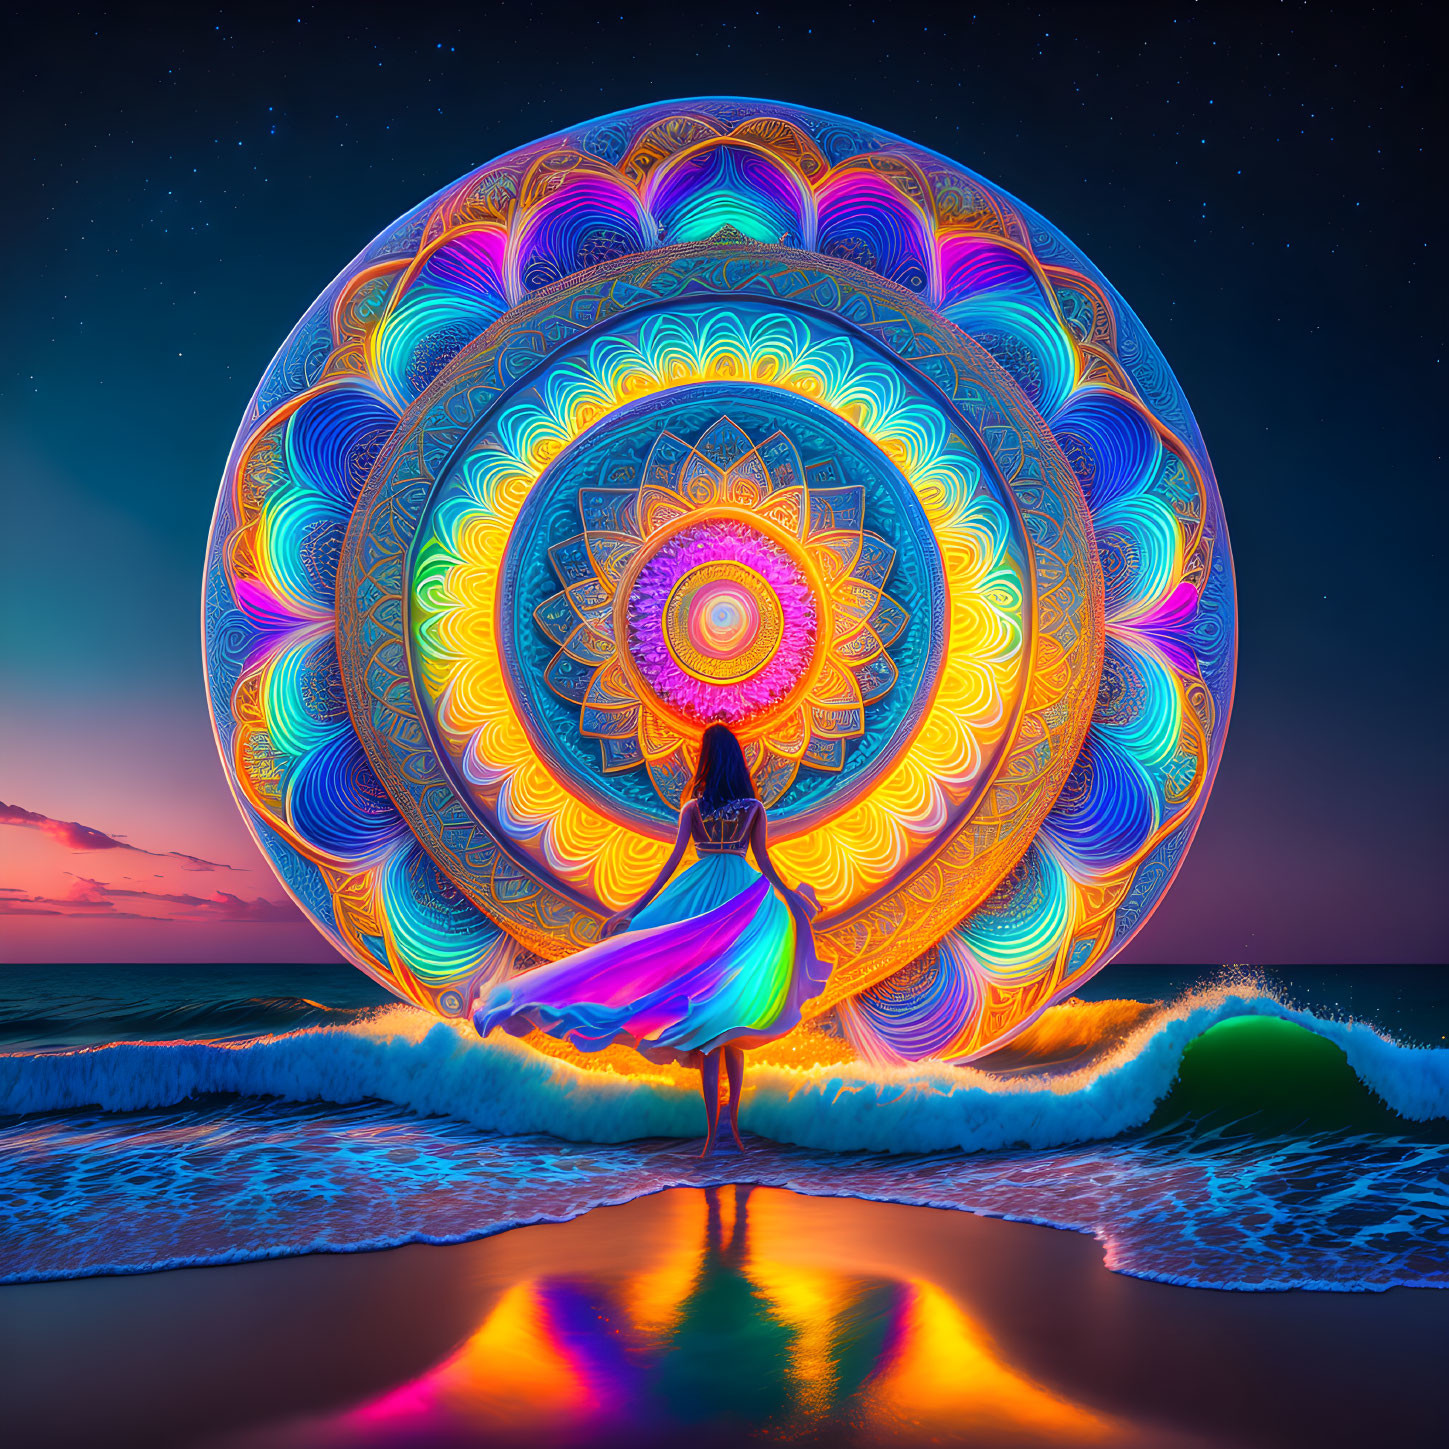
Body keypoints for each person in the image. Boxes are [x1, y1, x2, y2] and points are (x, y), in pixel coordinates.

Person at [473, 723, 828, 1155]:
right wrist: (790, 898)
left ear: (707, 760)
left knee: (717, 1029)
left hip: (706, 900)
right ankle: (727, 1133)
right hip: (745, 901)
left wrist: (637, 910)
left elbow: (673, 864)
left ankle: (717, 1135)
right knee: (729, 1028)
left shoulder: (695, 808)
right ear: (736, 760)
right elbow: (766, 865)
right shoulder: (751, 807)